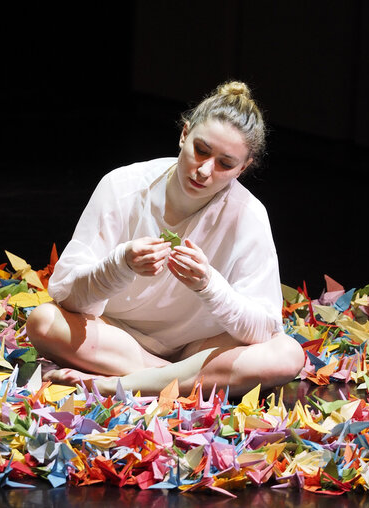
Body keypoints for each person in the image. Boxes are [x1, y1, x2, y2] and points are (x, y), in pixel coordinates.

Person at [26, 81, 304, 397]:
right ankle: (173, 380)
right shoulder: (123, 186)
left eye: (225, 164)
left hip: (200, 349)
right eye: (201, 150)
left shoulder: (249, 215)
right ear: (184, 134)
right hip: (119, 339)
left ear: (243, 168)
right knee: (44, 322)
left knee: (287, 354)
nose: (204, 171)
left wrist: (209, 286)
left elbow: (264, 329)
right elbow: (67, 296)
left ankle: (116, 385)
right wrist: (120, 264)